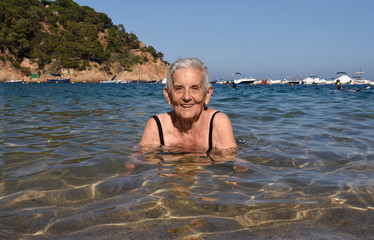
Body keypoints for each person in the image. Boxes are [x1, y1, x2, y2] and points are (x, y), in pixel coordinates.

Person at [139, 57, 237, 152]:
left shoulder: (218, 123)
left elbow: (235, 163)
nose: (186, 97)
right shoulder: (156, 126)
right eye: (179, 88)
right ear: (168, 95)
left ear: (207, 94)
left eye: (195, 88)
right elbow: (137, 162)